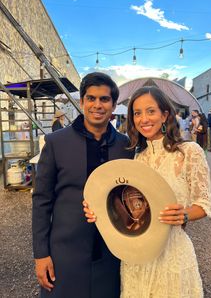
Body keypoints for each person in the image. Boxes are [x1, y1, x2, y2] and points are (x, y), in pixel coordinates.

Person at [84, 87, 211, 298]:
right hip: (136, 257)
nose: (143, 118)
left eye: (150, 111)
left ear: (165, 115)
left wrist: (185, 215)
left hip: (172, 253)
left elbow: (205, 203)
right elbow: (125, 206)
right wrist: (97, 209)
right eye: (137, 113)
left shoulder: (189, 152)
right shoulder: (136, 159)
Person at [32, 72, 134, 298]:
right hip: (65, 254)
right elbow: (41, 200)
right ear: (82, 102)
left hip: (111, 255)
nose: (97, 105)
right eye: (91, 98)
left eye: (104, 99)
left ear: (113, 105)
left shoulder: (126, 147)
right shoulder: (56, 142)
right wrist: (41, 254)